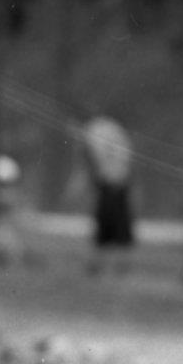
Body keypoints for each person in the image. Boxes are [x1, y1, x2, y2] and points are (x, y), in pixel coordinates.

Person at [80, 115, 135, 273]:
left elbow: (93, 159)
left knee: (106, 226)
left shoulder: (93, 130)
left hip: (110, 183)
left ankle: (100, 265)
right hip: (121, 182)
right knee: (120, 226)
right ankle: (120, 265)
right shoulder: (113, 129)